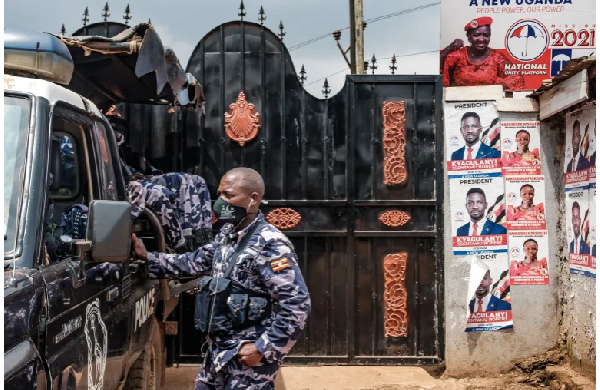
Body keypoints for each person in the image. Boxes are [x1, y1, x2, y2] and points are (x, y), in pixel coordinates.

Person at [131, 167, 311, 390]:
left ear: (253, 199)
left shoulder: (270, 244)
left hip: (247, 363)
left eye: (229, 195)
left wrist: (263, 349)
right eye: (219, 194)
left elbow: (297, 305)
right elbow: (193, 262)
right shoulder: (227, 236)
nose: (220, 202)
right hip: (218, 354)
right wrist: (147, 257)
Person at [442, 17, 525, 90]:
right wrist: (449, 48)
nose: (481, 39)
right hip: (458, 103)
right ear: (469, 37)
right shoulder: (457, 56)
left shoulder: (497, 57)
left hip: (489, 103)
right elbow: (440, 74)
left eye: (486, 35)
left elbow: (518, 78)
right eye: (477, 35)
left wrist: (494, 86)